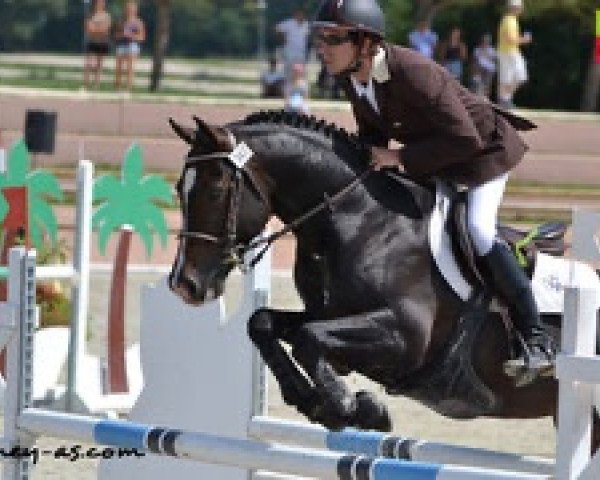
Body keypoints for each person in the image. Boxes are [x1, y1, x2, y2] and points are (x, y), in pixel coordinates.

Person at [312, 0, 555, 385]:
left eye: (332, 38)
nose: (322, 46)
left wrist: (399, 156)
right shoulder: (351, 75)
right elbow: (373, 136)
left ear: (364, 43)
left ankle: (536, 339)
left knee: (477, 229)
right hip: (434, 158)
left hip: (481, 154)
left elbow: (463, 138)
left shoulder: (414, 71)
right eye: (319, 37)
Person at [497, 0, 531, 108]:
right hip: (508, 52)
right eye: (520, 7)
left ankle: (505, 99)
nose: (521, 9)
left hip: (510, 52)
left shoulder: (510, 20)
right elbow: (510, 39)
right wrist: (524, 39)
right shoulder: (509, 21)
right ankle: (504, 101)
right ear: (514, 8)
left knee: (517, 77)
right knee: (510, 78)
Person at [275, 8, 310, 88]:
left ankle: (301, 88)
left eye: (302, 14)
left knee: (301, 70)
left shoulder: (306, 24)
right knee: (288, 70)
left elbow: (307, 36)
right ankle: (287, 88)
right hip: (289, 51)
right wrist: (283, 39)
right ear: (295, 15)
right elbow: (277, 28)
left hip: (301, 52)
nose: (300, 16)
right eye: (298, 14)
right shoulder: (288, 23)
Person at [114, 0, 146, 90]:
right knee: (118, 67)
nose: (129, 10)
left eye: (131, 8)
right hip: (122, 44)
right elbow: (116, 35)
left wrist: (132, 36)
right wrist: (121, 35)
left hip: (132, 45)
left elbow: (142, 37)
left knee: (130, 67)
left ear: (135, 10)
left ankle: (128, 87)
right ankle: (117, 87)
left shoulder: (138, 22)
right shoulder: (121, 21)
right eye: (128, 8)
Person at [83, 0, 112, 89]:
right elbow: (88, 29)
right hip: (92, 41)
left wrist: (96, 29)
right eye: (97, 3)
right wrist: (98, 29)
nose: (99, 5)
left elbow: (106, 30)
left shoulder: (106, 16)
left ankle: (96, 83)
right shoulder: (90, 15)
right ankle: (86, 83)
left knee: (99, 64)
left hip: (102, 41)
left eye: (101, 3)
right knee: (89, 63)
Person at [471, 33, 497, 98]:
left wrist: (488, 56)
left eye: (487, 41)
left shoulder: (492, 50)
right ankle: (478, 99)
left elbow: (494, 61)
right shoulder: (477, 50)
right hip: (479, 69)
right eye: (484, 40)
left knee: (487, 85)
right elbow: (474, 61)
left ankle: (486, 99)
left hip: (489, 70)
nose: (485, 42)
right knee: (478, 85)